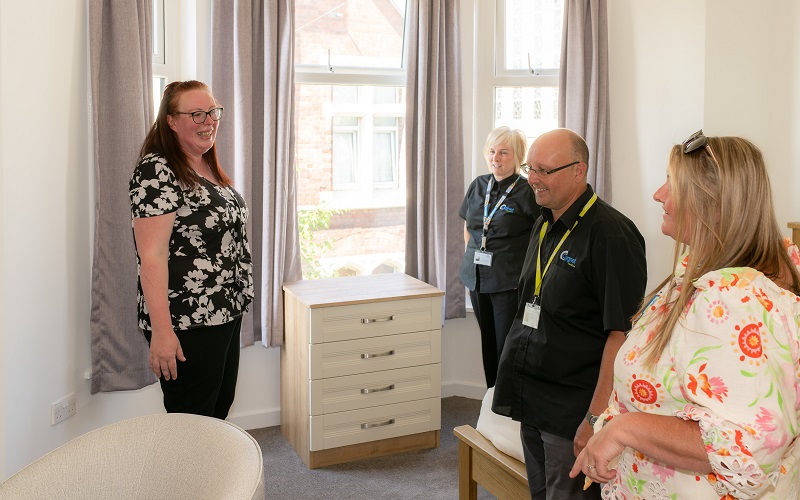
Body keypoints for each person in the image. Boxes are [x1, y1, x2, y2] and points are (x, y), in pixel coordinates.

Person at [571, 131, 800, 499]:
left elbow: (748, 447)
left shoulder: (733, 299)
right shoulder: (710, 271)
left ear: (712, 202)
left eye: (671, 184)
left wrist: (623, 430)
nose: (658, 195)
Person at [492, 128, 647, 499]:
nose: (532, 179)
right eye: (531, 168)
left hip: (570, 410)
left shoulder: (612, 235)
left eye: (545, 170)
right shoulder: (544, 221)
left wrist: (594, 419)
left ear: (580, 171)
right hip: (531, 397)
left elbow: (621, 334)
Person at [128, 80, 253, 419]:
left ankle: (208, 474)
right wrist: (163, 333)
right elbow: (150, 255)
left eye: (213, 112)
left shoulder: (204, 164)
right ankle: (182, 475)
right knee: (192, 422)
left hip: (223, 311)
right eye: (196, 113)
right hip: (187, 318)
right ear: (170, 120)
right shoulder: (157, 170)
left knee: (216, 412)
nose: (208, 121)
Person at [459, 126, 540, 388]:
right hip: (477, 279)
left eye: (504, 152)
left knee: (507, 344)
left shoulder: (528, 191)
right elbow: (468, 227)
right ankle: (491, 399)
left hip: (508, 282)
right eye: (492, 151)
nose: (496, 158)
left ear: (517, 156)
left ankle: (506, 406)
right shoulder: (478, 185)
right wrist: (472, 260)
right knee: (488, 343)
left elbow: (540, 236)